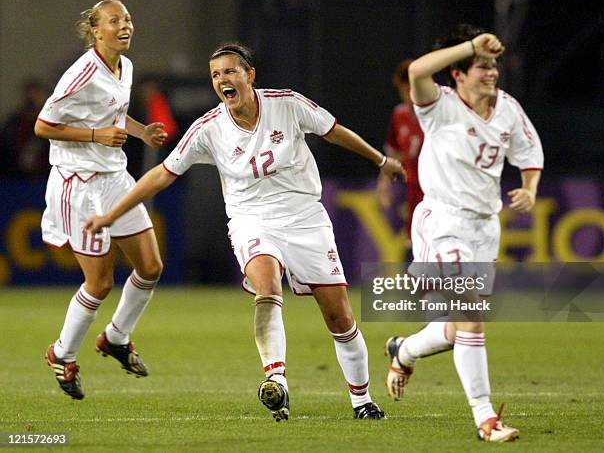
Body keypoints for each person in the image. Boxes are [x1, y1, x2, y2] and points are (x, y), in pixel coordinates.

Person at [85, 42, 405, 420]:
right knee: (266, 286)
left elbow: (334, 131)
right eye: (216, 75)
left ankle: (362, 400)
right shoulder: (208, 128)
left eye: (230, 71)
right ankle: (277, 381)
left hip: (305, 217)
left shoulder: (287, 104)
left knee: (339, 317)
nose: (223, 79)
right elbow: (161, 175)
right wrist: (112, 214)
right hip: (251, 221)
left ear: (249, 75)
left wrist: (380, 160)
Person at [383, 24, 543, 442]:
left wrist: (528, 189)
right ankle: (485, 418)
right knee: (472, 315)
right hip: (443, 221)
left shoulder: (508, 108)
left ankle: (405, 350)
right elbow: (418, 71)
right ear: (458, 73)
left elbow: (529, 152)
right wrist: (469, 45)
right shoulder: (440, 106)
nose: (491, 73)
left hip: (484, 228)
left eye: (493, 66)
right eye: (481, 67)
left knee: (458, 329)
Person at [34, 0, 168, 400]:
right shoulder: (80, 73)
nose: (125, 25)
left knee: (150, 266)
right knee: (100, 282)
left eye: (127, 18)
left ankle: (116, 338)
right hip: (80, 184)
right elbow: (44, 125)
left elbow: (111, 114)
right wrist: (95, 137)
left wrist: (142, 133)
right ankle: (63, 354)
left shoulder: (124, 66)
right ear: (95, 30)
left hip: (113, 176)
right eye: (114, 21)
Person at [376, 59, 424, 247]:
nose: (408, 96)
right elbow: (394, 155)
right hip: (413, 192)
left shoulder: (436, 115)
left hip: (439, 194)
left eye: (411, 89)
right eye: (404, 91)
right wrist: (383, 184)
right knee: (416, 248)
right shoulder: (400, 115)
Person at [0, 78, 50, 177]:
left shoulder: (53, 123)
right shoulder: (13, 123)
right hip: (15, 178)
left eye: (36, 96)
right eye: (29, 97)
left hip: (44, 177)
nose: (32, 100)